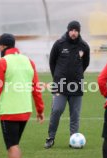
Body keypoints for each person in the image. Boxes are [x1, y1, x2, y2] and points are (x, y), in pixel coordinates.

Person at [0, 33, 45, 158]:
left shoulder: (2, 62)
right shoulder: (29, 61)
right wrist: (40, 111)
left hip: (9, 111)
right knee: (15, 144)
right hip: (25, 110)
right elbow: (36, 89)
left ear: (3, 46)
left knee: (12, 146)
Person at [44, 21, 90, 149]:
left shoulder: (84, 46)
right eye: (72, 30)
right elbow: (52, 62)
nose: (73, 32)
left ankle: (73, 139)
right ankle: (50, 137)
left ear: (79, 31)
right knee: (56, 110)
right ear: (68, 30)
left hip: (77, 85)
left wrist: (77, 74)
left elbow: (85, 64)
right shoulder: (59, 44)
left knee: (75, 114)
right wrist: (57, 77)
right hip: (60, 85)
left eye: (76, 30)